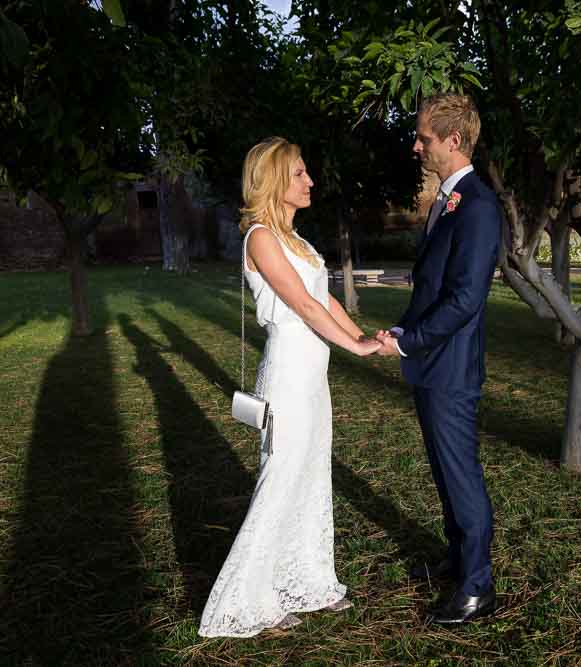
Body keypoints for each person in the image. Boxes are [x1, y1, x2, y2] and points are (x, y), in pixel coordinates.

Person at [199, 137, 381, 638]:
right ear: (276, 179)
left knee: (310, 476)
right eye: (299, 173)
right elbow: (301, 306)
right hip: (287, 376)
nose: (310, 181)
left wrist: (363, 338)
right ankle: (246, 600)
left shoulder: (298, 240)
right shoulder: (260, 236)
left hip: (313, 378)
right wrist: (356, 350)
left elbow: (324, 300)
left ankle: (308, 580)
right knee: (278, 484)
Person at [375, 93, 501, 625]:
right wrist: (404, 328)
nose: (416, 144)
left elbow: (466, 298)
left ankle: (477, 587)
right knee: (444, 473)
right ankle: (459, 557)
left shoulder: (477, 203)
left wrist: (409, 342)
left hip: (449, 366)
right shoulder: (446, 199)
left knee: (460, 474)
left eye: (424, 136)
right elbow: (433, 288)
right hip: (432, 360)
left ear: (453, 140)